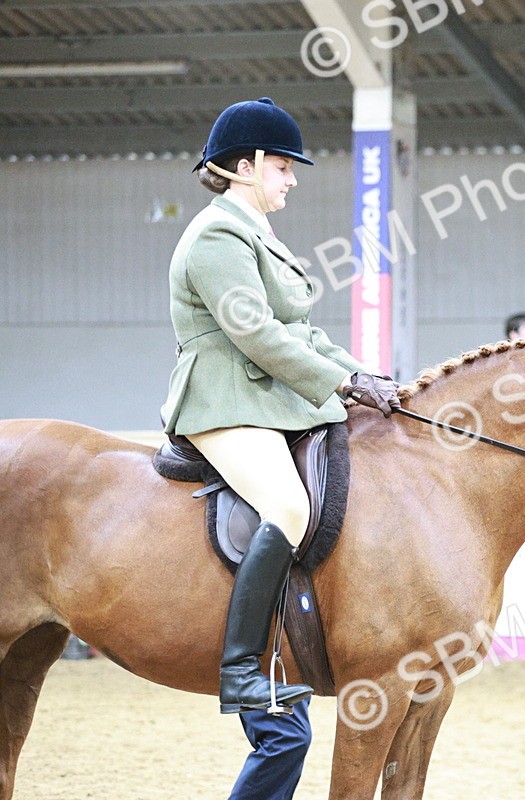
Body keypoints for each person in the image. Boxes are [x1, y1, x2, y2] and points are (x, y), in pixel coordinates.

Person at [161, 97, 402, 796]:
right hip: (222, 399)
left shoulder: (256, 233)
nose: (292, 178)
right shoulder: (215, 238)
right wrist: (341, 380)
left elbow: (299, 330)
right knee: (290, 507)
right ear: (245, 167)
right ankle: (241, 668)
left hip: (266, 397)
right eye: (283, 166)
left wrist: (365, 377)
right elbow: (258, 338)